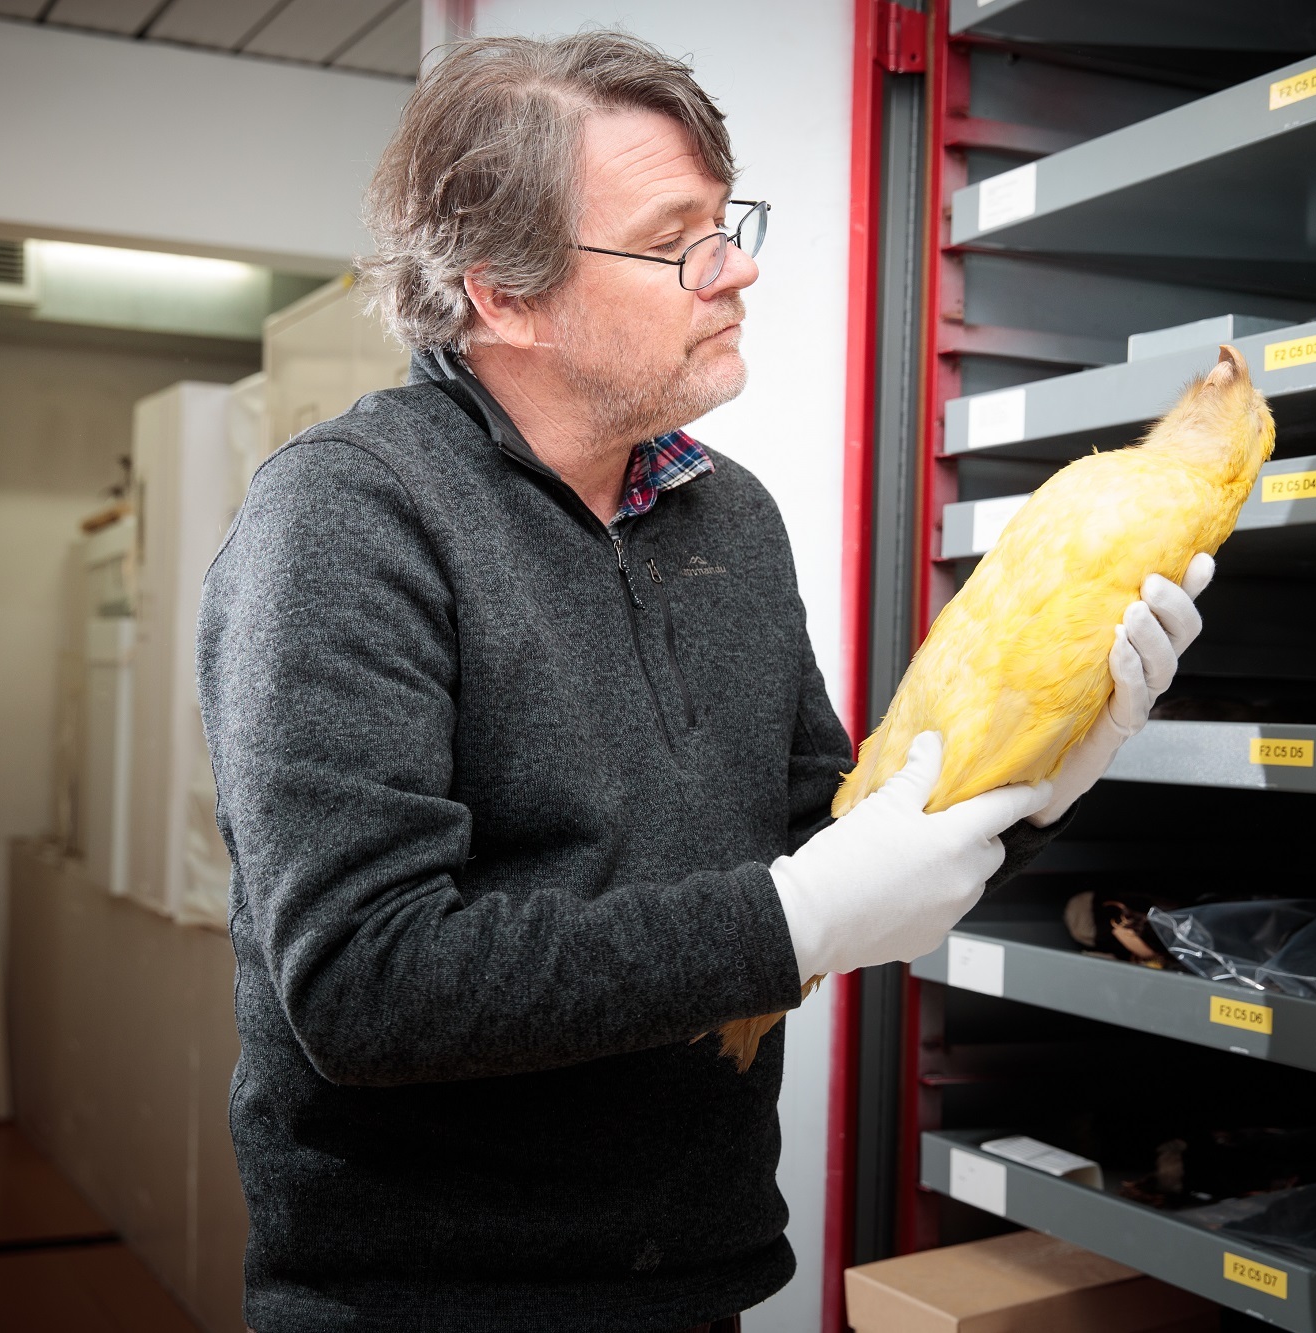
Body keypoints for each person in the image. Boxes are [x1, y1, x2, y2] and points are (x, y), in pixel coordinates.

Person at [196, 31, 1206, 1333]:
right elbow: (364, 982)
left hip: (695, 1277)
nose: (738, 269)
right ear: (504, 289)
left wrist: (1039, 773)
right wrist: (789, 920)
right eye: (680, 239)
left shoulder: (729, 518)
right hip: (429, 1301)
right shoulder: (349, 519)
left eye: (730, 221)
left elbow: (830, 850)